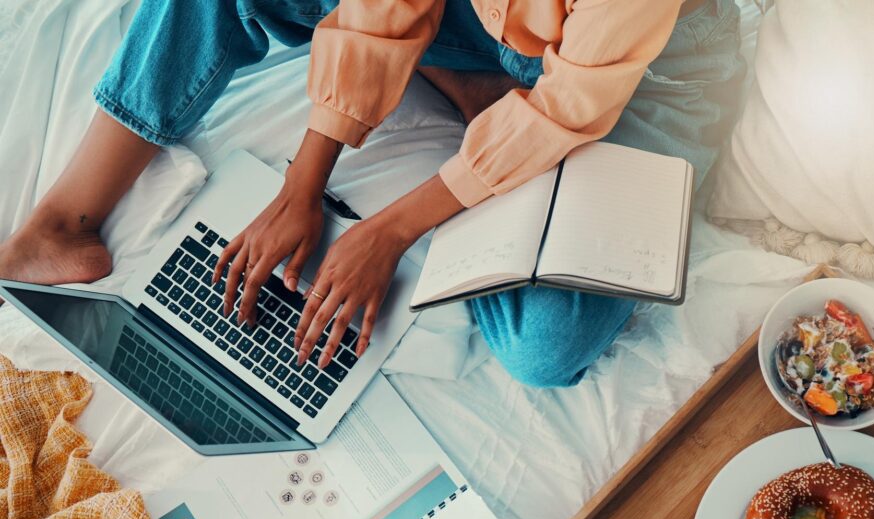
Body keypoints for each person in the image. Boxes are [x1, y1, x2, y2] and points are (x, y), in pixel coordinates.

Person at [0, 0, 743, 387]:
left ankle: (480, 108)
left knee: (545, 348)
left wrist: (387, 233)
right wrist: (303, 183)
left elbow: (564, 110)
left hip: (641, 86)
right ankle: (62, 220)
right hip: (488, 33)